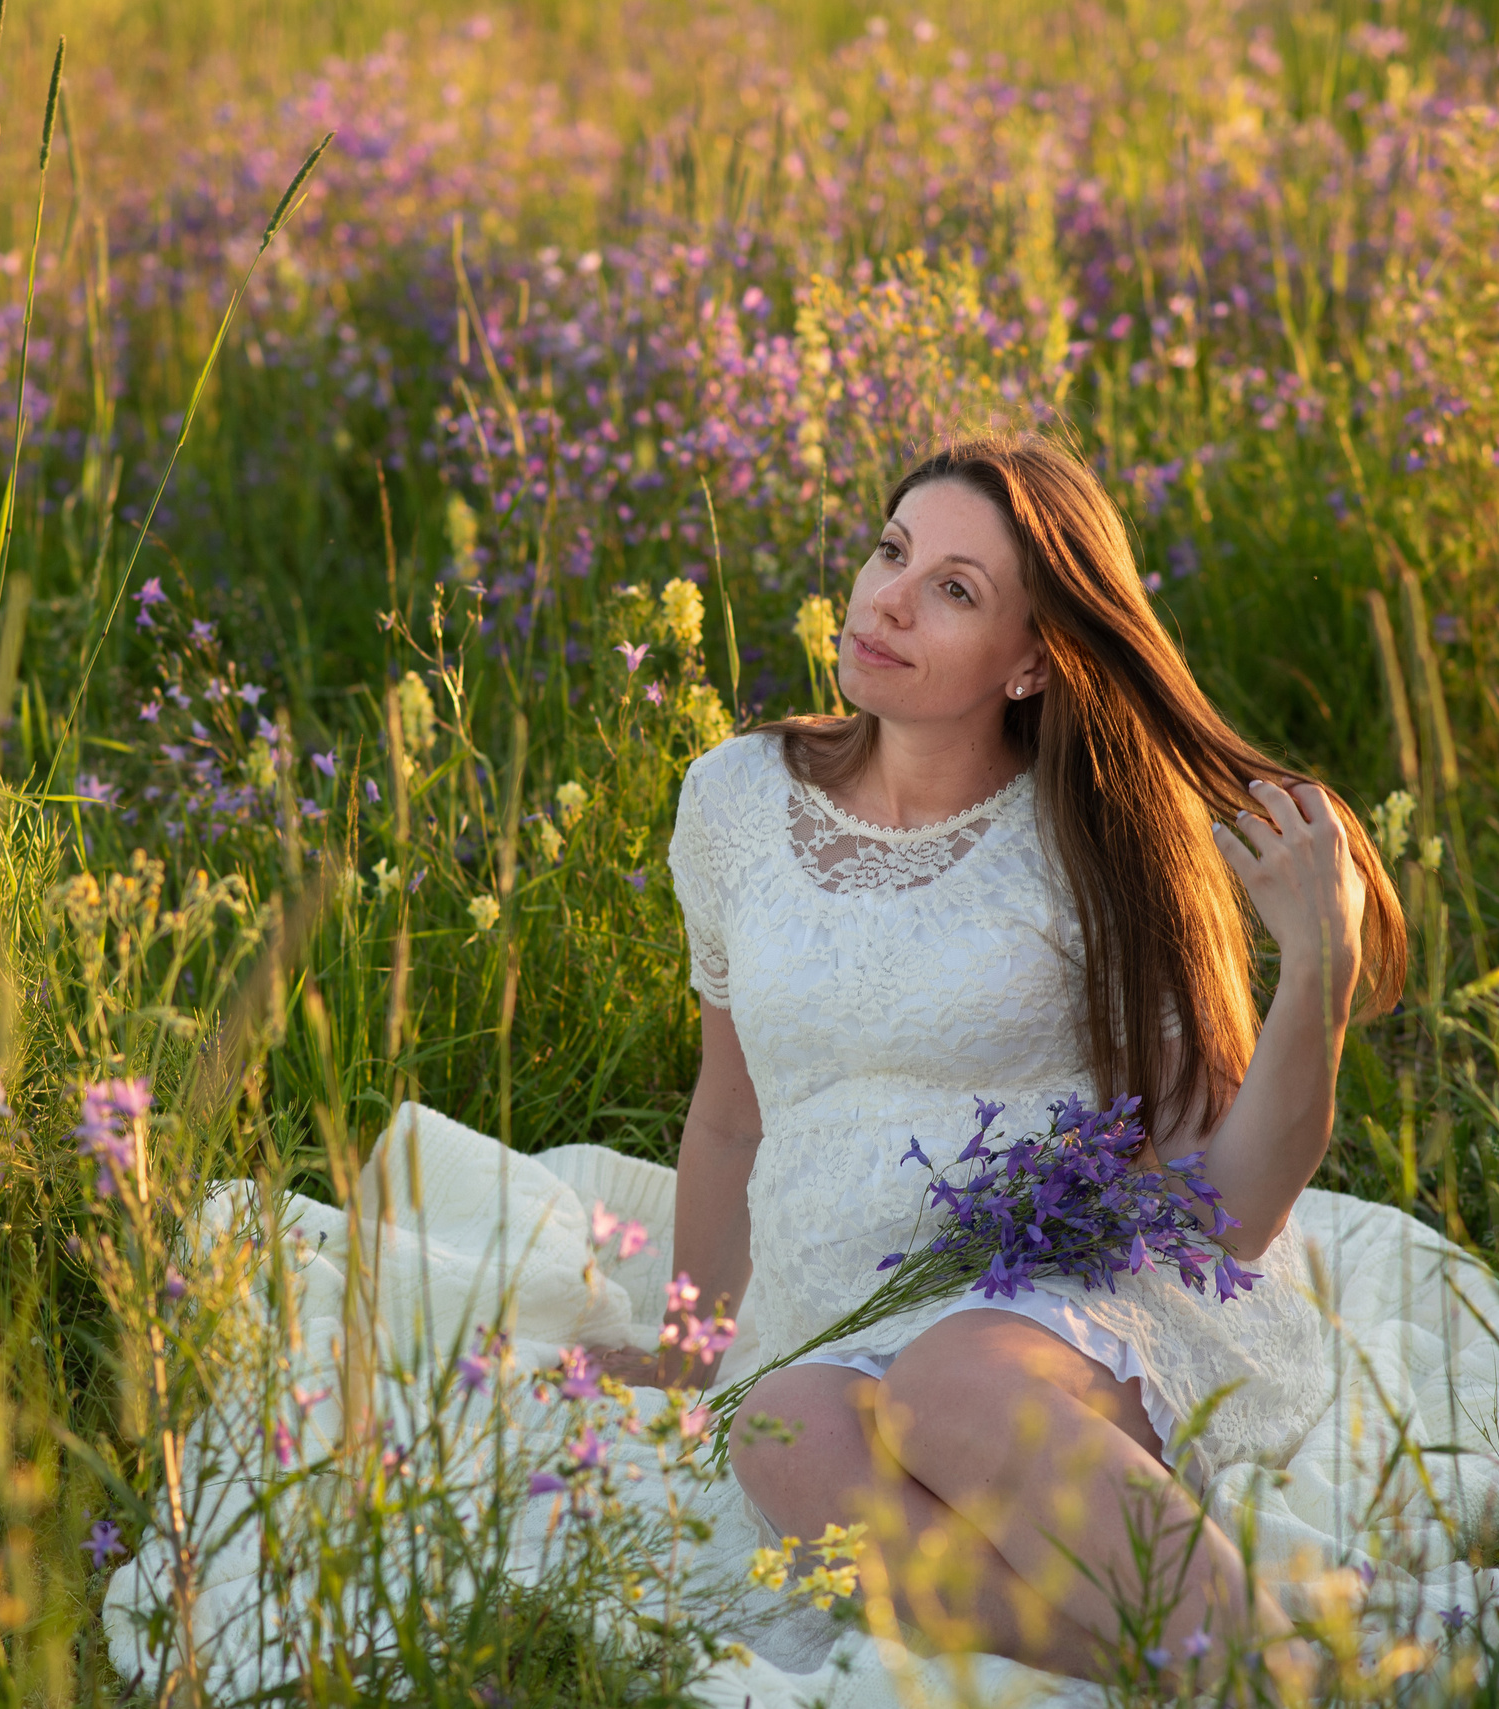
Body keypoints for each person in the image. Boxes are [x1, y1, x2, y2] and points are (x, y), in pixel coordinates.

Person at [585, 432, 1406, 1681]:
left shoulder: (1100, 843)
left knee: (948, 1381)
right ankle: (1235, 1667)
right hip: (836, 1300)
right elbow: (733, 1111)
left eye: (955, 589)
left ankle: (1274, 1672)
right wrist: (694, 1337)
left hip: (1053, 1292)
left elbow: (1227, 1207)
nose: (888, 598)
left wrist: (1320, 981)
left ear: (1031, 659)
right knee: (769, 1424)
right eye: (891, 550)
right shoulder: (733, 798)